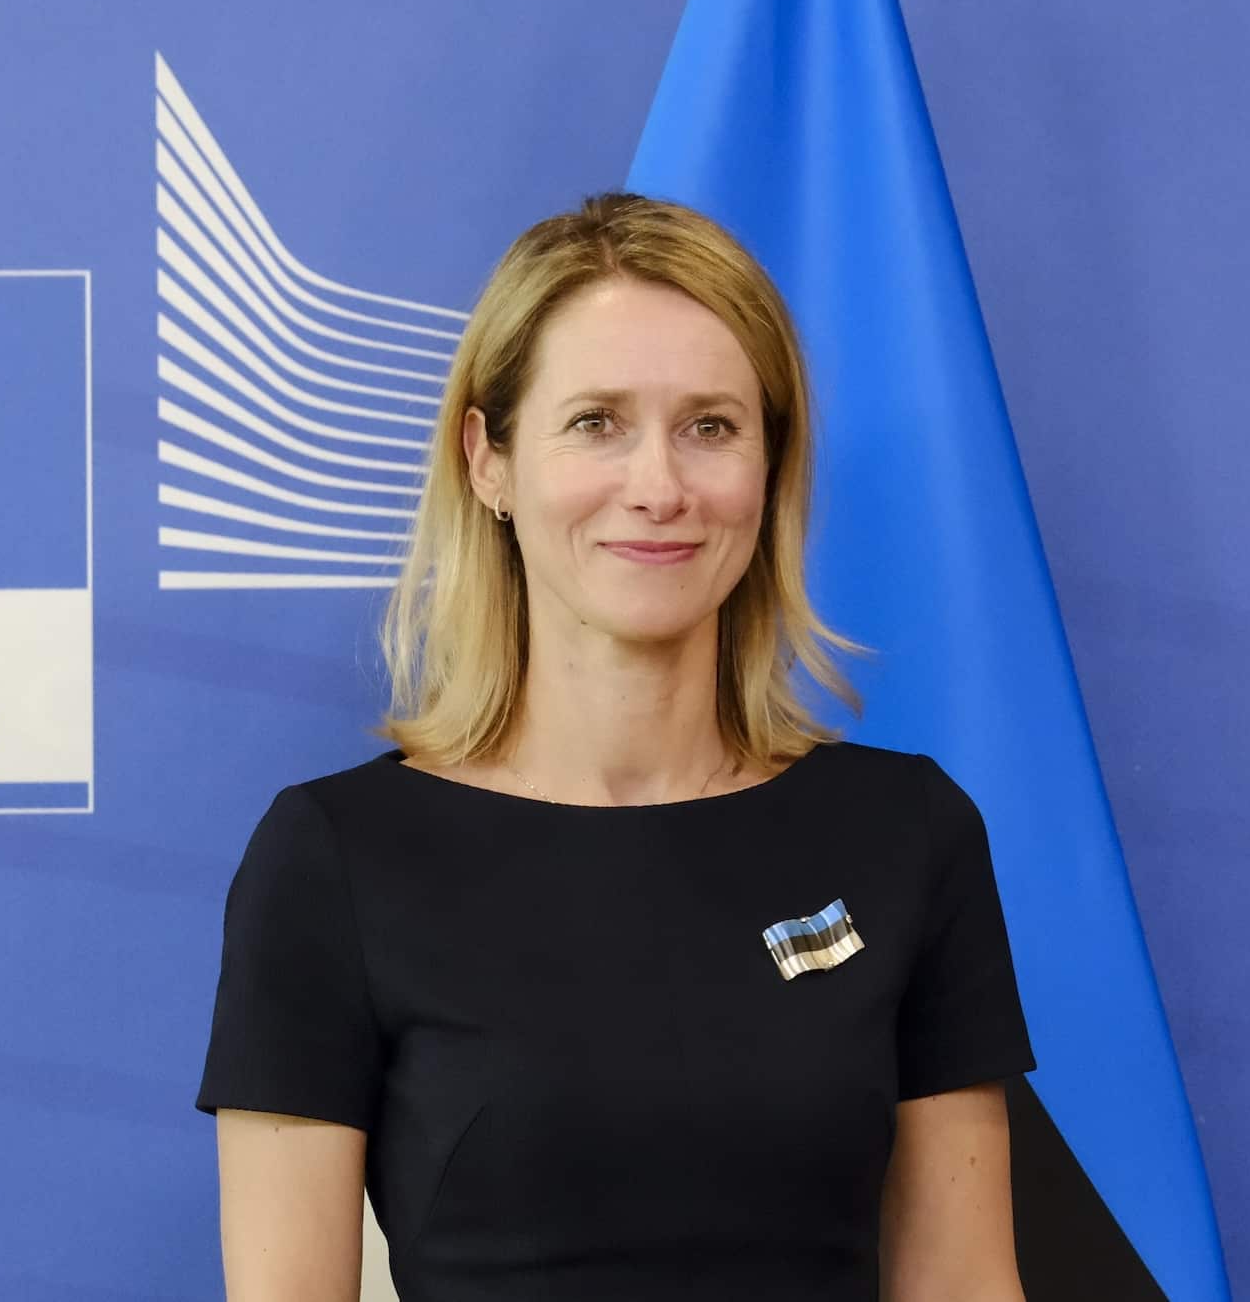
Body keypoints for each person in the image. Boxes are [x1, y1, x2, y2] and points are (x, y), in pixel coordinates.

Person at [194, 193, 1035, 1301]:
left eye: (710, 426)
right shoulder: (334, 856)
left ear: (770, 465)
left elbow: (964, 1284)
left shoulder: (906, 834)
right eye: (595, 422)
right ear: (487, 460)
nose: (658, 487)